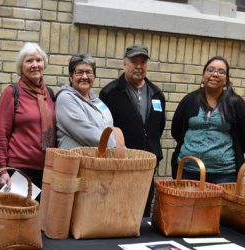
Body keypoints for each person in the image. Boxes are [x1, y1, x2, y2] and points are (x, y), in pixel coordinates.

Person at [99, 44, 165, 217]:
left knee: (142, 210)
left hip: (147, 163)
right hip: (121, 162)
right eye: (134, 61)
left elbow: (159, 127)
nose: (138, 66)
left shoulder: (157, 94)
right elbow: (104, 129)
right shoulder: (110, 93)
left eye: (142, 62)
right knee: (118, 209)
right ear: (124, 64)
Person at [171, 56, 245, 183]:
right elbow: (176, 130)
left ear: (226, 79)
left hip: (224, 174)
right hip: (189, 170)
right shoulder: (189, 100)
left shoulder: (236, 103)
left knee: (219, 204)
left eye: (221, 72)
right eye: (210, 70)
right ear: (203, 75)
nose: (215, 74)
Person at [0, 42, 55, 194]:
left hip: (45, 169)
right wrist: (2, 171)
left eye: (38, 60)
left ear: (44, 64)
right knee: (16, 216)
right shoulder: (11, 93)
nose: (35, 65)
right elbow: (1, 134)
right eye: (29, 61)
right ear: (21, 66)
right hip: (18, 171)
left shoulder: (49, 94)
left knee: (39, 217)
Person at [56, 54, 116, 148]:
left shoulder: (97, 101)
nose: (84, 76)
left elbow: (109, 127)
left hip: (98, 160)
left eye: (89, 72)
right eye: (79, 72)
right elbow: (87, 133)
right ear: (71, 77)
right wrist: (117, 147)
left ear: (94, 76)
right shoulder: (65, 99)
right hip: (76, 161)